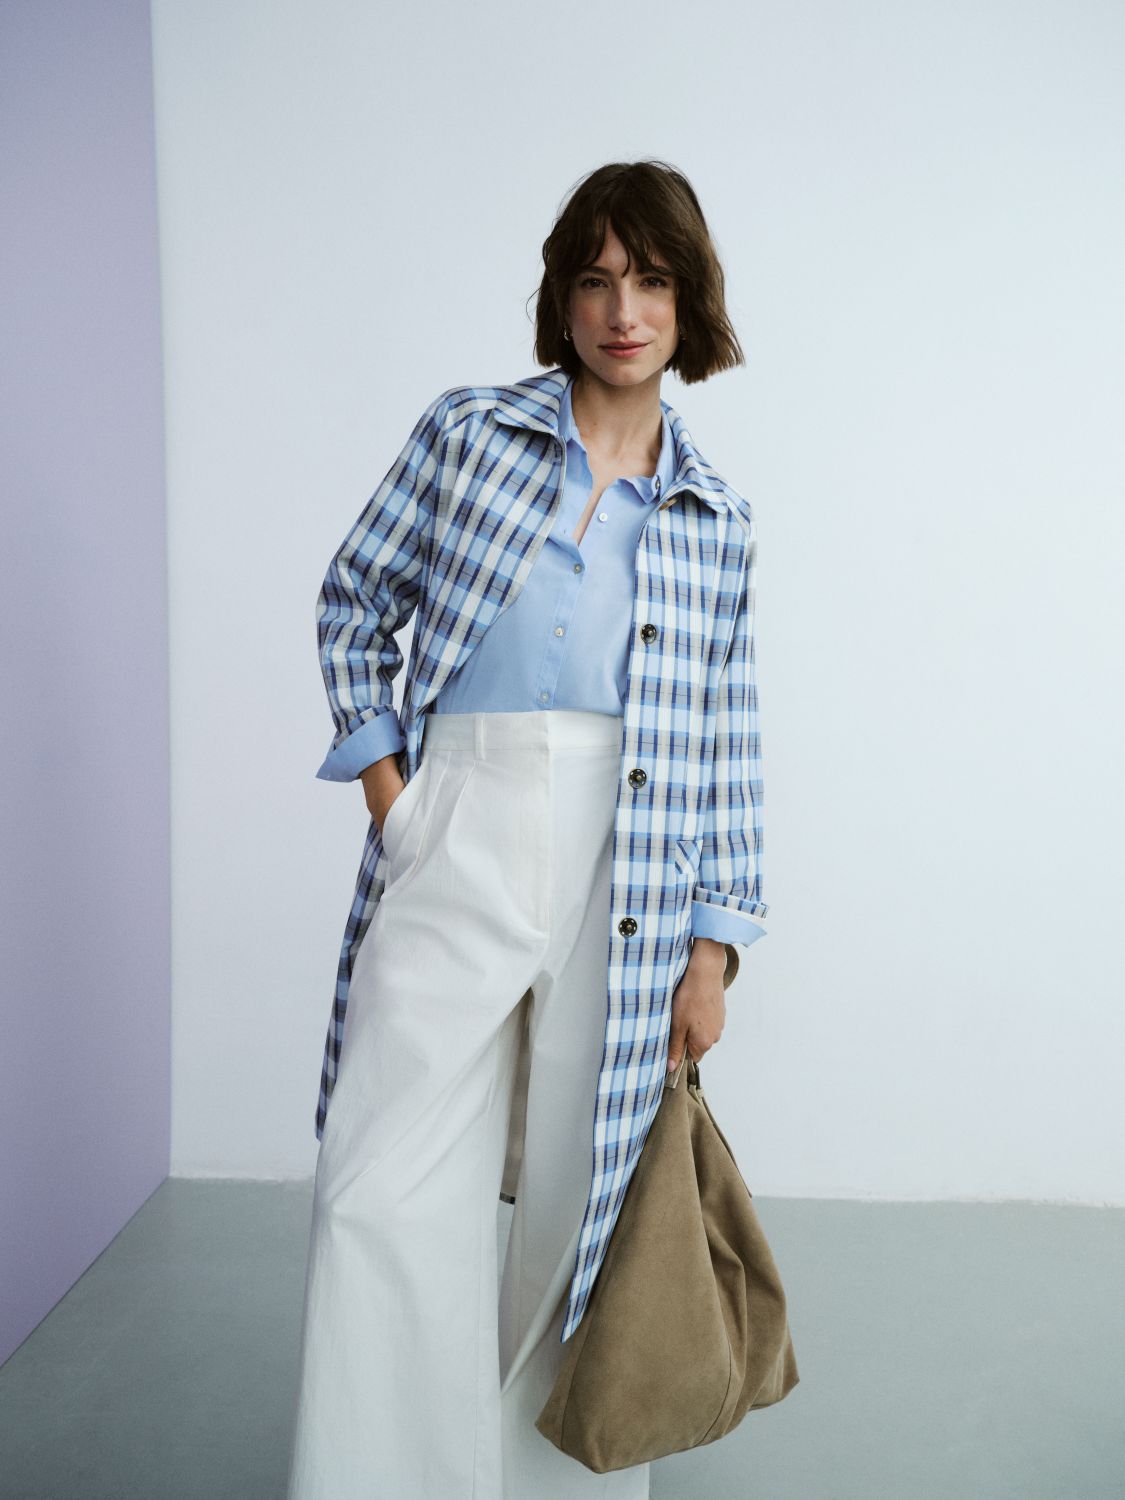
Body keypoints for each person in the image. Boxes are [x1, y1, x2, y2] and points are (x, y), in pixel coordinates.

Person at [285, 158, 770, 1499]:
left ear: (690, 306)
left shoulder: (715, 517)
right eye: (597, 279)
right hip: (460, 812)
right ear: (560, 300)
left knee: (577, 1202)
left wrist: (712, 951)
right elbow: (352, 603)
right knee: (380, 1184)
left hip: (631, 857)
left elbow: (727, 735)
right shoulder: (467, 433)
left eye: (654, 281)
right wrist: (398, 800)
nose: (624, 309)